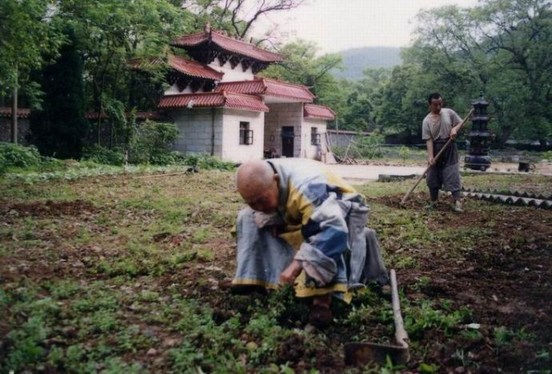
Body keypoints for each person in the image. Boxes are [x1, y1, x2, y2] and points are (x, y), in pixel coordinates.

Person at [230, 158, 388, 327]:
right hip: (299, 210)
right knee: (247, 217)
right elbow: (261, 205)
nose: (257, 206)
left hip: (339, 211)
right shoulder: (263, 174)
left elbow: (332, 228)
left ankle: (321, 299)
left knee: (317, 231)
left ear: (275, 180)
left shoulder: (308, 187)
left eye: (261, 200)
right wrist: (267, 214)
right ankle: (252, 279)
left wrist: (297, 264)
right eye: (250, 202)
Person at [422, 93, 464, 212]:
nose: (439, 107)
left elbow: (460, 122)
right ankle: (433, 201)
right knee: (432, 175)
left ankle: (457, 202)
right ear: (430, 105)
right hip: (436, 149)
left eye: (440, 103)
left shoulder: (449, 113)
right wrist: (431, 156)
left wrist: (455, 129)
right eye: (435, 105)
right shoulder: (426, 121)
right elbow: (429, 140)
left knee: (452, 174)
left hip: (449, 147)